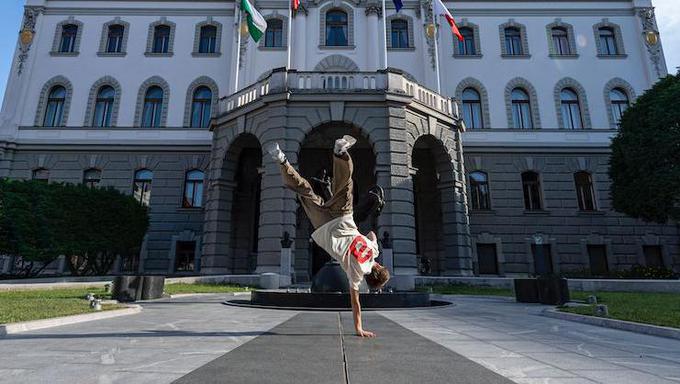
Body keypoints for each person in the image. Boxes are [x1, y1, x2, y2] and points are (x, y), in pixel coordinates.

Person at [267, 135, 391, 338]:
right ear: (370, 278)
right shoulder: (357, 274)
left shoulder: (373, 251)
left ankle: (340, 152)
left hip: (343, 216)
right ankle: (281, 160)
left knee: (345, 186)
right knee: (305, 191)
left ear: (378, 267)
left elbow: (371, 233)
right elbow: (355, 302)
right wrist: (358, 328)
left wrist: (371, 243)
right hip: (323, 226)